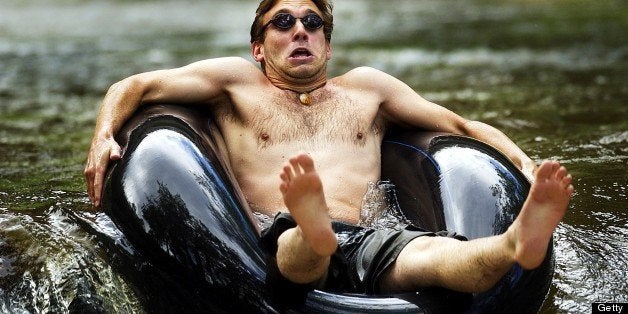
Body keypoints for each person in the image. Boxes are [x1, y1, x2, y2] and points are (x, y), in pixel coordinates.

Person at [84, 0, 573, 296]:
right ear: (259, 47)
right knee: (300, 252)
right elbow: (137, 86)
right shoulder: (235, 83)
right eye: (283, 22)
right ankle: (315, 230)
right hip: (275, 236)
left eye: (313, 22)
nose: (300, 30)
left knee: (434, 258)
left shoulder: (367, 90)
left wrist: (524, 163)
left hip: (369, 234)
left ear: (328, 45)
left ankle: (511, 245)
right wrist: (103, 134)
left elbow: (460, 124)